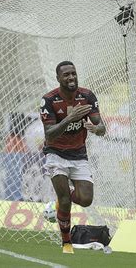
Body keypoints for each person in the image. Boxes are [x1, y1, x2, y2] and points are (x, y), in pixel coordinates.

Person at [40, 61, 105, 254]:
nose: (71, 78)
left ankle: (64, 195)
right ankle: (66, 243)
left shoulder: (87, 96)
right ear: (58, 78)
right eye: (66, 75)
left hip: (78, 154)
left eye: (73, 74)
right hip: (56, 153)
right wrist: (69, 118)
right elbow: (49, 134)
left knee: (86, 200)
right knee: (66, 201)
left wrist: (96, 129)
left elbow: (101, 127)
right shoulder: (49, 100)